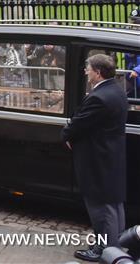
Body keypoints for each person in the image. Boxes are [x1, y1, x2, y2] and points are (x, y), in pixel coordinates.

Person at [62, 53, 128, 262]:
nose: (85, 71)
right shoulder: (117, 90)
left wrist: (67, 134)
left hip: (97, 160)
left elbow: (78, 124)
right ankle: (116, 243)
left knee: (101, 209)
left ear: (97, 73)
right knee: (113, 204)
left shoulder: (99, 97)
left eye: (88, 68)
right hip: (110, 156)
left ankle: (105, 250)